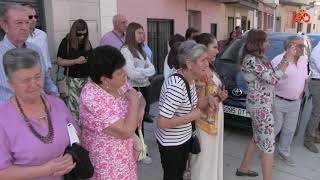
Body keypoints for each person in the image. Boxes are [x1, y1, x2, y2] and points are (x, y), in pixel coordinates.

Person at [0, 48, 79, 180]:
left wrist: (71, 156)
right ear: (11, 85)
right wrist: (46, 170)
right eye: (25, 80)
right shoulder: (3, 119)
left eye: (37, 76)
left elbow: (76, 137)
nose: (34, 84)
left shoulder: (58, 105)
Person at [236, 29, 296, 180]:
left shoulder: (257, 58)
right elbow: (273, 79)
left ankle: (243, 168)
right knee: (269, 146)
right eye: (266, 41)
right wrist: (287, 59)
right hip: (260, 107)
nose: (268, 44)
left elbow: (270, 75)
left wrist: (284, 59)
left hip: (261, 105)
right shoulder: (252, 60)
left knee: (257, 138)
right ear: (258, 43)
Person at [80, 45, 145, 179]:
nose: (125, 74)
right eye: (120, 73)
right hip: (108, 164)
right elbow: (126, 130)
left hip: (126, 158)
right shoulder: (92, 99)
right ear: (104, 79)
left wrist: (140, 108)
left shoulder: (118, 84)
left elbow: (141, 98)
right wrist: (134, 102)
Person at [155, 40, 216, 180]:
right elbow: (162, 122)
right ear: (189, 64)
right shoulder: (177, 85)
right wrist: (194, 115)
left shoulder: (190, 79)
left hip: (182, 138)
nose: (207, 64)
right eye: (203, 60)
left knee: (179, 175)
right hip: (171, 143)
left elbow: (192, 105)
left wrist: (208, 99)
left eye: (207, 59)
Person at [0, 4, 58, 106]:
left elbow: (47, 81)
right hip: (12, 116)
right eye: (19, 23)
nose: (25, 27)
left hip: (42, 109)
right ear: (5, 26)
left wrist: (56, 100)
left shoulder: (35, 49)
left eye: (27, 23)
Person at [190, 33, 228, 180]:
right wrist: (216, 97)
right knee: (204, 159)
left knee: (213, 155)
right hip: (204, 122)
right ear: (204, 49)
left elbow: (212, 95)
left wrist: (220, 96)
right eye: (215, 47)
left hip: (214, 118)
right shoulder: (200, 72)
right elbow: (198, 103)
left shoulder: (210, 67)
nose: (218, 51)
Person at [271, 35, 308, 166]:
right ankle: (267, 155)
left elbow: (303, 77)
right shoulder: (278, 60)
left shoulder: (303, 60)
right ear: (290, 46)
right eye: (300, 45)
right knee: (274, 129)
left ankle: (284, 153)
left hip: (296, 102)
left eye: (303, 46)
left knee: (290, 130)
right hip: (279, 100)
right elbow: (271, 80)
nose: (302, 48)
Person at [120, 22, 156, 143]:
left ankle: (140, 146)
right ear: (131, 33)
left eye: (143, 33)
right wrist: (144, 71)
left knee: (142, 117)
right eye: (139, 33)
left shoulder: (140, 50)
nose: (143, 35)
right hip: (134, 89)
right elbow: (131, 74)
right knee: (136, 119)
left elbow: (153, 69)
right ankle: (139, 150)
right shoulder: (126, 51)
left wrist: (139, 70)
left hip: (144, 87)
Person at [57, 19, 92, 126]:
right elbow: (59, 61)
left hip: (87, 80)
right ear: (74, 32)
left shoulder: (87, 42)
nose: (82, 37)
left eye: (84, 34)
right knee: (74, 111)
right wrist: (76, 61)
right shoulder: (66, 42)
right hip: (72, 80)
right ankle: (76, 136)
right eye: (79, 34)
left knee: (87, 109)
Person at [23, 3, 52, 72]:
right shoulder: (13, 36)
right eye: (30, 17)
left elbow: (46, 57)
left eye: (35, 16)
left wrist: (49, 70)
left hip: (44, 76)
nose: (34, 20)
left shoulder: (42, 35)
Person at [304, 41, 320, 153]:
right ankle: (308, 140)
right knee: (317, 112)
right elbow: (318, 65)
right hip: (317, 82)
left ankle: (314, 134)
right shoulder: (318, 49)